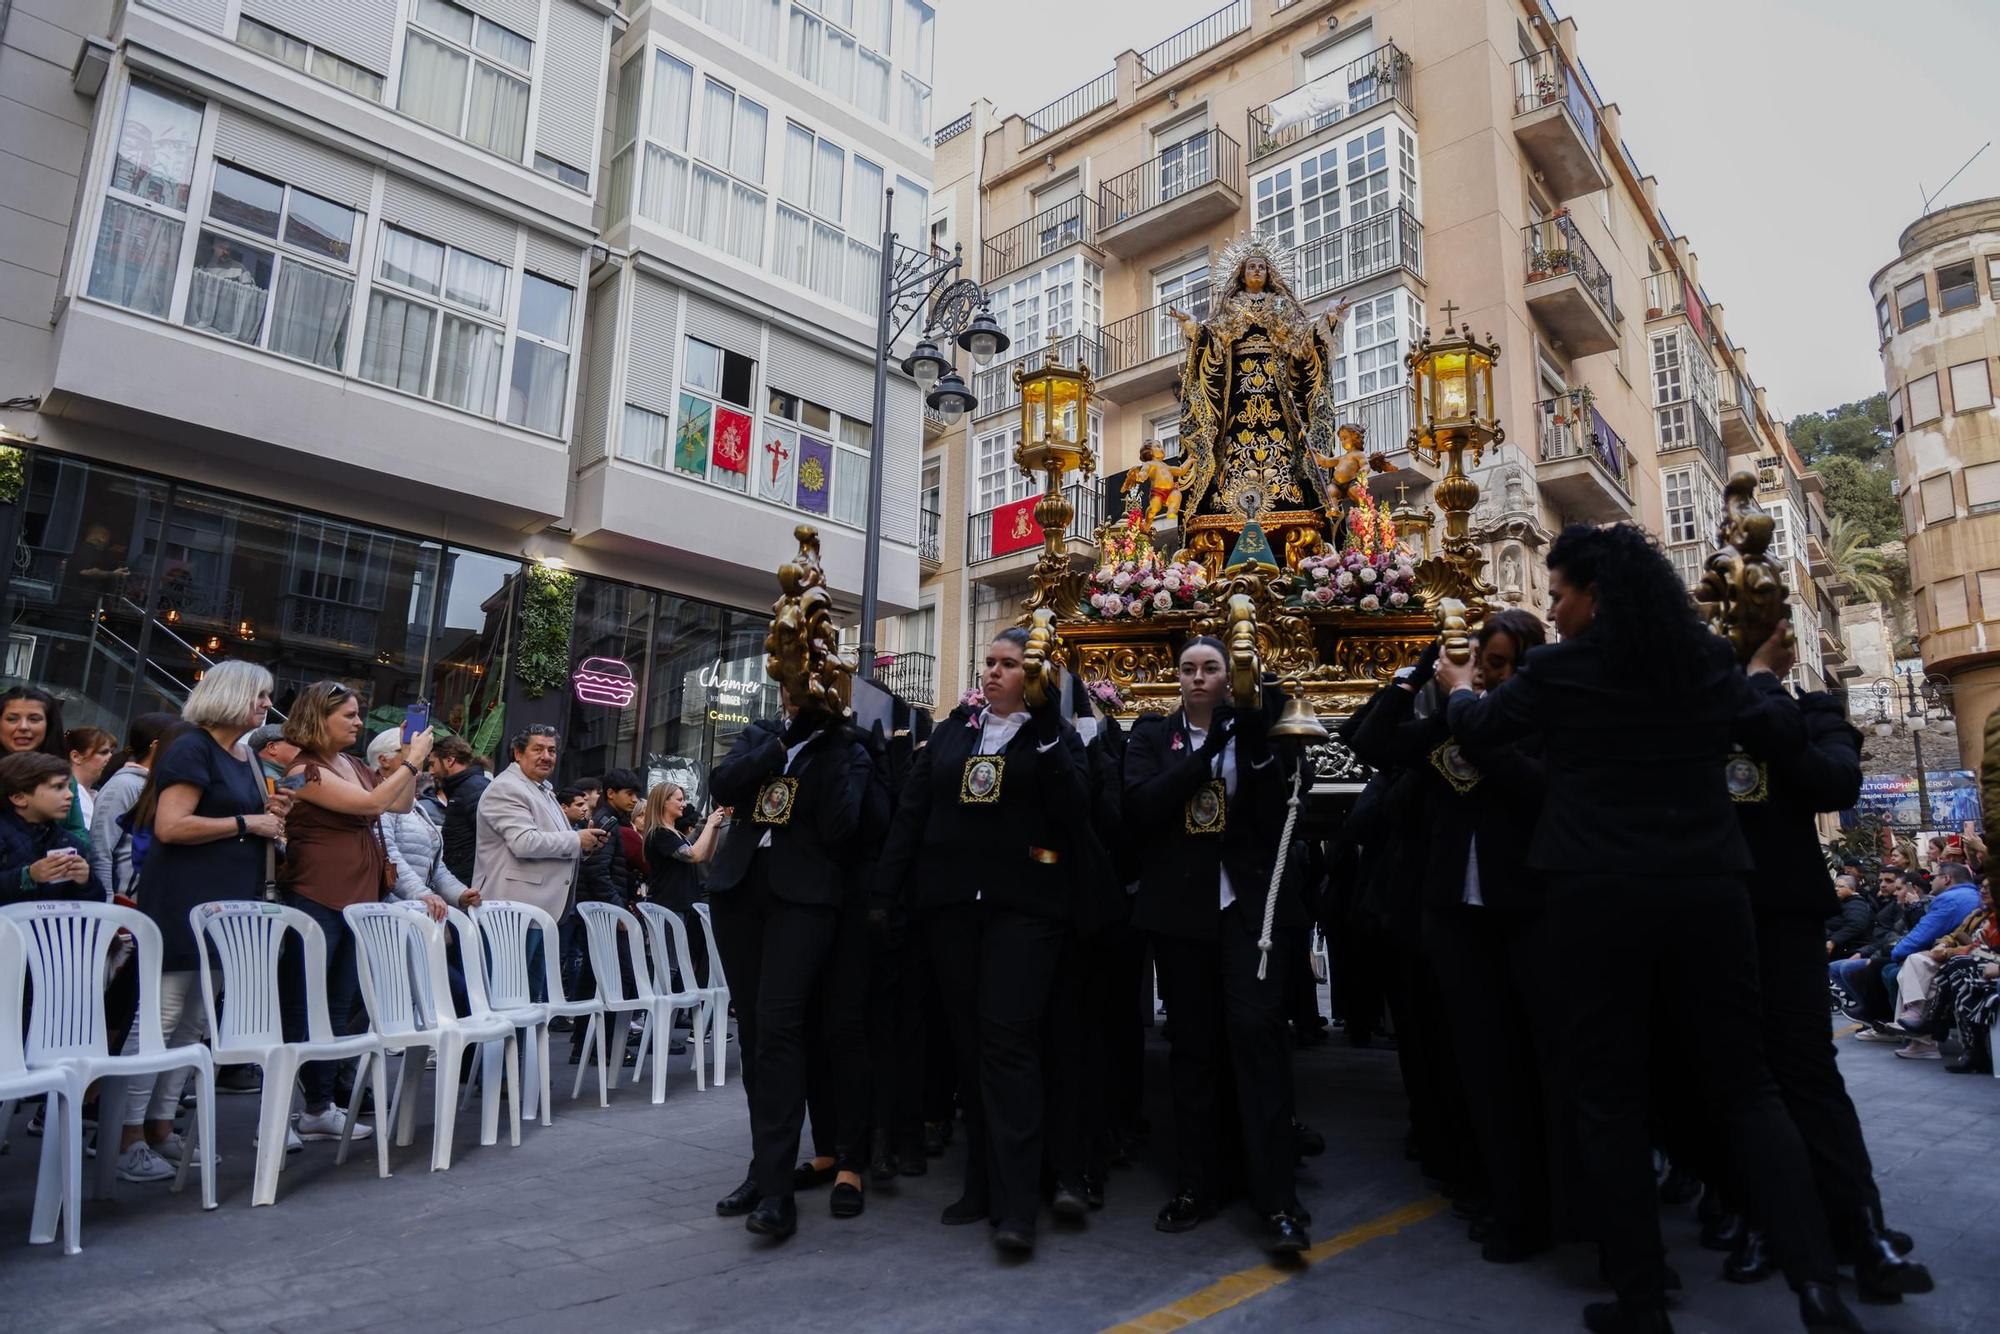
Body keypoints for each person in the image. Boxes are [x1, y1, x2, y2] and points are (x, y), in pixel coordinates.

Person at [1435, 523, 1857, 1334]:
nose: (1551, 612)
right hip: (1710, 888)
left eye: (1557, 594)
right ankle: (1816, 1286)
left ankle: (1641, 1299)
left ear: (1594, 593)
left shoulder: (1563, 667)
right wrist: (1765, 678)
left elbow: (1482, 733)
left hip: (1596, 897)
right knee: (1748, 1087)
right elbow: (1773, 736)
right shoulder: (1703, 660)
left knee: (1609, 1093)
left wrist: (1457, 684)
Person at [1725, 655, 1934, 1300]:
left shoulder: (1811, 713)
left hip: (1785, 916)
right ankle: (1757, 1220)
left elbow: (1832, 782)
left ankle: (1860, 1226)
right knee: (1736, 1078)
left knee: (1809, 1075)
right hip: (1711, 910)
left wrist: (1762, 683)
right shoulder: (1697, 702)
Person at [1357, 611, 1552, 1264]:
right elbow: (1375, 741)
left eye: (1500, 663)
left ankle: (1540, 1201)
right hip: (1450, 916)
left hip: (1523, 912)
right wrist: (1417, 671)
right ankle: (1492, 1192)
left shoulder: (1538, 722)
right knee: (1476, 1065)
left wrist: (1473, 709)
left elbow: (1537, 789)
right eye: (1483, 661)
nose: (1489, 673)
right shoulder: (1453, 715)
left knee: (1531, 1064)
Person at [1123, 638, 1310, 1257]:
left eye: (1211, 669)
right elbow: (1143, 807)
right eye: (1188, 669)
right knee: (1194, 1052)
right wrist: (1206, 752)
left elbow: (1278, 803)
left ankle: (1278, 1199)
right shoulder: (1154, 735)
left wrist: (1251, 726)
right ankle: (1196, 1184)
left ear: (1230, 678)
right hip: (1182, 912)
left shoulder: (1253, 726)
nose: (1198, 678)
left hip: (1248, 911)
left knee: (1257, 1039)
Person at [705, 692, 874, 1241]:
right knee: (755, 1035)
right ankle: (764, 1169)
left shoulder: (845, 749)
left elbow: (842, 829)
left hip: (803, 902)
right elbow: (724, 785)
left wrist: (829, 743)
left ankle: (779, 1193)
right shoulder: (759, 735)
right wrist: (784, 741)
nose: (795, 694)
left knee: (779, 1030)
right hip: (740, 896)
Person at [114, 662, 285, 1181]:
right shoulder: (192, 746)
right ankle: (125, 1136)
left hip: (223, 905)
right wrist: (246, 821)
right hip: (183, 900)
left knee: (194, 1023)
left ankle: (161, 1127)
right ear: (232, 696)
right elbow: (170, 826)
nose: (265, 705)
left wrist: (271, 817)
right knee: (161, 1018)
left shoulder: (244, 756)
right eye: (260, 695)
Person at [279, 681, 433, 1139]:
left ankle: (319, 1106)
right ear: (318, 718)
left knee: (339, 1004)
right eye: (348, 715)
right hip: (316, 893)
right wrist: (413, 760)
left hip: (357, 898)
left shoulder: (349, 763)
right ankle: (281, 1108)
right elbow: (370, 803)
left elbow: (397, 803)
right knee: (301, 1004)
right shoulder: (301, 769)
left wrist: (408, 756)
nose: (358, 723)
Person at [472, 725, 599, 998]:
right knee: (504, 998)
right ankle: (498, 1044)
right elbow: (524, 842)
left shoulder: (542, 789)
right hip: (511, 913)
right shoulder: (506, 788)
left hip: (539, 913)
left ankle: (519, 1044)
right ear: (517, 753)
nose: (546, 756)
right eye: (538, 749)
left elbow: (552, 839)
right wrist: (577, 841)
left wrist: (585, 844)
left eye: (552, 750)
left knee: (528, 1003)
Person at [365, 728, 476, 919]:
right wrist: (422, 893)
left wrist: (459, 893)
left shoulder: (414, 805)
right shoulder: (380, 798)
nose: (418, 758)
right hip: (388, 913)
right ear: (384, 761)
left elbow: (434, 864)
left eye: (420, 753)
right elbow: (388, 855)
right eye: (407, 751)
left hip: (414, 911)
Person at [86, 711, 178, 898]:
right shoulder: (124, 785)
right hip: (121, 904)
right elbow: (101, 847)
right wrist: (106, 901)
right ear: (156, 746)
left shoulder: (161, 784)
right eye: (178, 744)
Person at [0, 751, 102, 906]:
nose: (70, 795)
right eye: (58, 787)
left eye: (69, 787)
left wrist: (85, 881)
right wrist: (28, 876)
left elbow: (91, 906)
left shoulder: (70, 842)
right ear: (19, 797)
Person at [2, 685, 88, 849]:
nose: (23, 727)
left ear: (49, 725)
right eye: (12, 719)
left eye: (34, 719)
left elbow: (78, 832)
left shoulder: (63, 775)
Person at [431, 734, 489, 886]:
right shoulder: (463, 787)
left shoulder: (473, 788)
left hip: (469, 882)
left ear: (450, 761)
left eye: (432, 764)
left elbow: (488, 838)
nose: (431, 771)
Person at [65, 726, 117, 829]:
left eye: (112, 752)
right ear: (76, 757)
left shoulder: (96, 795)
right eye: (103, 752)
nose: (109, 757)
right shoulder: (66, 791)